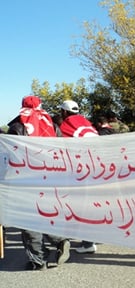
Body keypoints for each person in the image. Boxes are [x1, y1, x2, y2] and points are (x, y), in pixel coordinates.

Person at [7, 95, 71, 270]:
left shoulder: (17, 127)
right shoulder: (52, 125)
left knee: (27, 219)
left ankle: (38, 260)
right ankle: (59, 240)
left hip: (26, 179)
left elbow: (11, 156)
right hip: (50, 178)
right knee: (46, 213)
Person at [59, 99, 99, 254]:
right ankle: (89, 239)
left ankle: (86, 242)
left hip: (79, 173)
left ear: (64, 112)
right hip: (96, 170)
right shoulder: (87, 123)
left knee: (77, 207)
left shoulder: (66, 125)